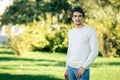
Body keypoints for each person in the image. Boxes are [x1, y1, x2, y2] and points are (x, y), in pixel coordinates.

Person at [64, 6, 98, 80]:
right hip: (70, 68)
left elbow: (95, 51)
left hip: (82, 69)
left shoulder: (90, 31)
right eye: (75, 16)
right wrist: (66, 68)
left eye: (80, 16)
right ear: (72, 18)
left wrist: (84, 67)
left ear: (83, 18)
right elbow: (69, 51)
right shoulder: (71, 32)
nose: (77, 18)